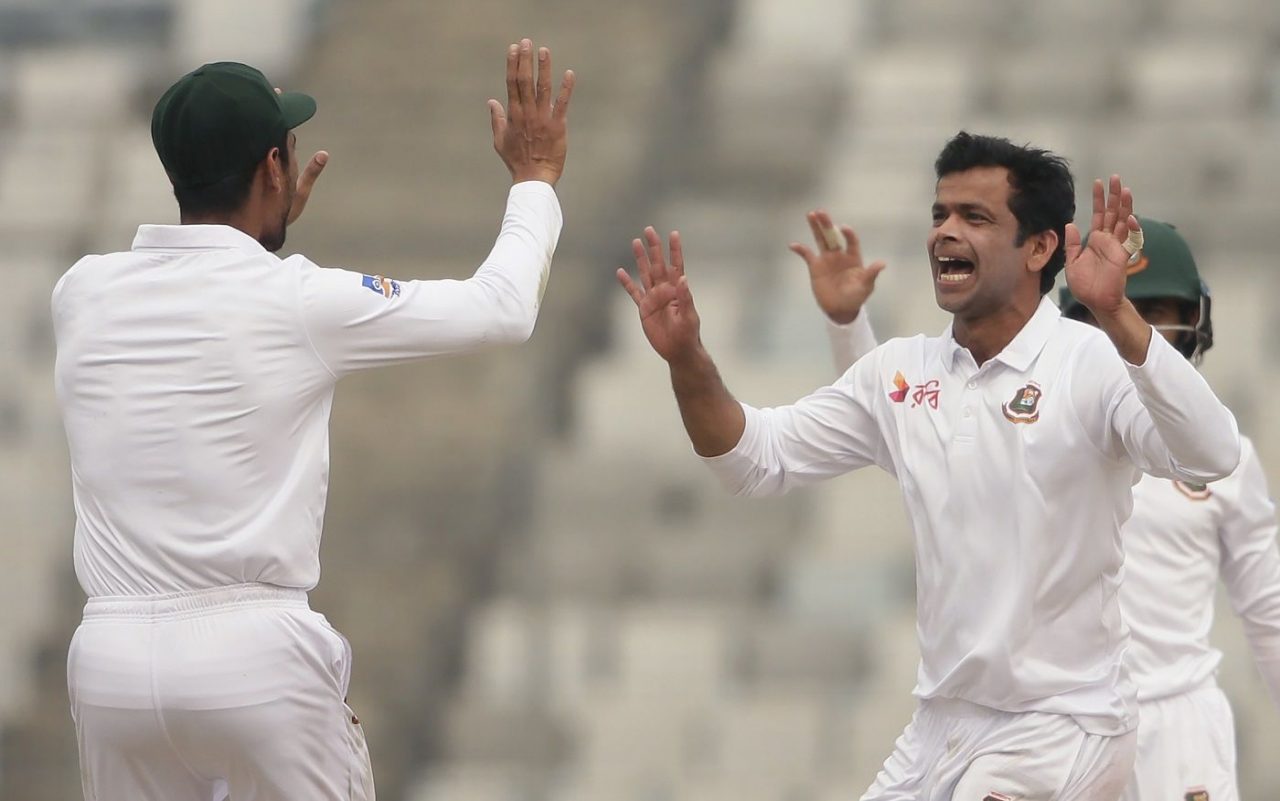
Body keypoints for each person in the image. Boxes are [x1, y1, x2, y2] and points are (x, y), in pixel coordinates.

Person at [616, 132, 1241, 800]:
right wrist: (687, 358)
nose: (946, 232)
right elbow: (750, 461)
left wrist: (1116, 311)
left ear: (1039, 248)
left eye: (975, 218)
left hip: (1064, 725)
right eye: (940, 214)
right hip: (941, 724)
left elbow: (1212, 454)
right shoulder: (900, 372)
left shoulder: (1089, 362)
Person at [53, 41, 573, 801]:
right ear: (273, 169)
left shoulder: (81, 294)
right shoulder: (297, 300)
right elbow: (502, 309)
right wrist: (534, 181)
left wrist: (256, 237)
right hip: (252, 659)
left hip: (111, 666)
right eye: (288, 152)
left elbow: (206, 309)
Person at [807, 208, 1280, 800]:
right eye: (1125, 309)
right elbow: (900, 420)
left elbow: (1269, 611)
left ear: (1196, 321)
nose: (1142, 328)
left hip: (1175, 728)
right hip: (1054, 727)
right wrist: (847, 323)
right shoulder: (1031, 419)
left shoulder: (1223, 455)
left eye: (1162, 314)